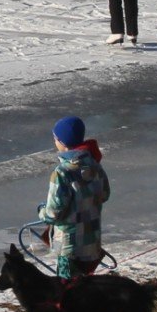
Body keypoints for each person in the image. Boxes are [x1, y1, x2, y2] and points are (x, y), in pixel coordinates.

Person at [37, 116, 109, 279]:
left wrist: (41, 211)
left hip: (69, 247)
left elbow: (53, 213)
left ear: (62, 142)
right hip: (91, 242)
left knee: (68, 290)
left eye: (55, 138)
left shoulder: (62, 172)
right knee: (84, 287)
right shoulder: (95, 165)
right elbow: (104, 194)